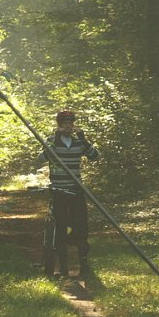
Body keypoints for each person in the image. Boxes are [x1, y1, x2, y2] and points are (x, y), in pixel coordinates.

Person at [35, 110, 100, 277]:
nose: (68, 125)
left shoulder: (78, 142)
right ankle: (63, 266)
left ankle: (83, 263)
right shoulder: (52, 141)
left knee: (81, 227)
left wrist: (85, 141)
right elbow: (41, 159)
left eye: (70, 122)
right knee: (61, 227)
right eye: (64, 122)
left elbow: (95, 156)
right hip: (59, 191)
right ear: (59, 124)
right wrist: (56, 139)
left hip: (76, 190)